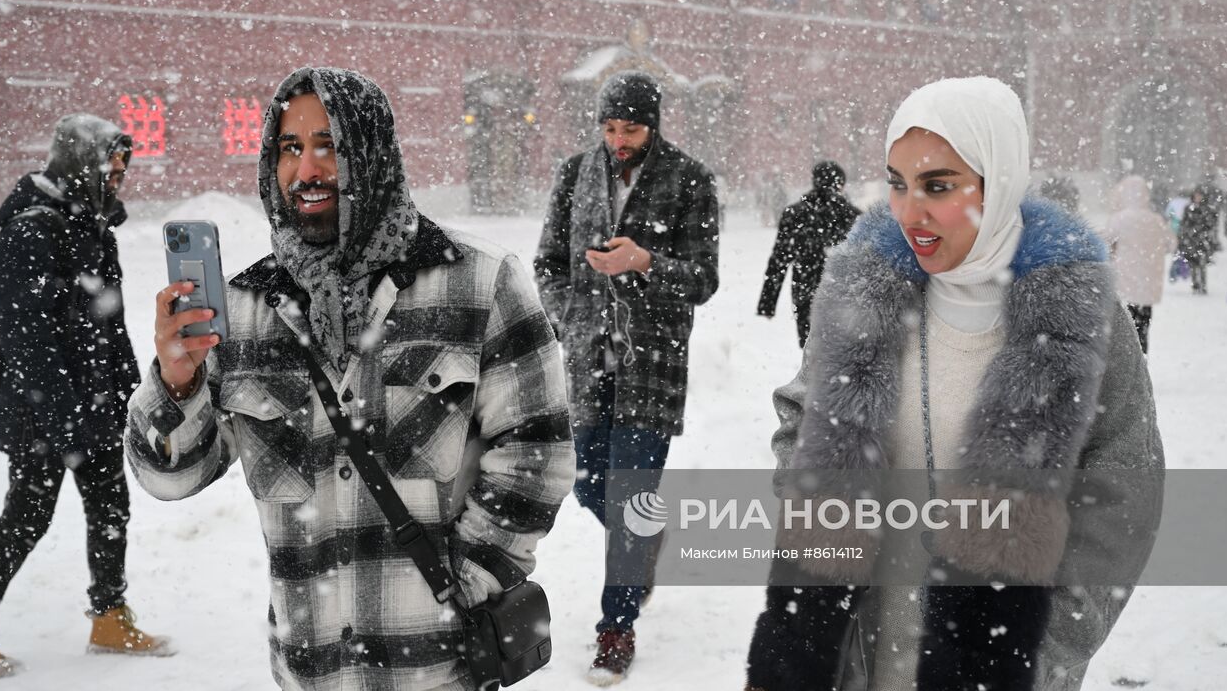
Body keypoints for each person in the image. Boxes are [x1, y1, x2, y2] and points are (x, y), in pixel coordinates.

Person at [127, 68, 574, 691]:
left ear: (371, 152)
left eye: (328, 145)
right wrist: (176, 385)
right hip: (311, 672)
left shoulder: (481, 283)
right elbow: (170, 477)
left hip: (438, 673)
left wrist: (463, 582)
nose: (306, 170)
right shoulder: (245, 310)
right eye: (290, 148)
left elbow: (538, 454)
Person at [744, 77, 1163, 691]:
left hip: (997, 664)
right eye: (897, 183)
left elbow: (1126, 497)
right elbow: (800, 420)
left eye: (937, 186)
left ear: (999, 182)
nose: (911, 211)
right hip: (853, 657)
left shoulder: (1082, 319)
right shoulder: (863, 296)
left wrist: (1050, 644)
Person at [0, 116, 167, 678]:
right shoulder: (31, 232)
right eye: (110, 166)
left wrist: (133, 395)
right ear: (81, 162)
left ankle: (109, 616)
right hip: (46, 413)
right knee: (26, 519)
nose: (118, 178)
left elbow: (108, 328)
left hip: (97, 404)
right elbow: (27, 338)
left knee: (111, 508)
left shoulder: (91, 225)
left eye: (122, 168)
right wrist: (65, 418)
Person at [535, 70, 719, 684]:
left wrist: (644, 262)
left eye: (631, 128)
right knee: (589, 485)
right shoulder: (575, 172)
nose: (618, 139)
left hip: (654, 363)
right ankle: (645, 537)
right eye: (610, 127)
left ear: (654, 124)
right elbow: (547, 263)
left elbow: (703, 279)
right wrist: (569, 318)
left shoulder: (689, 179)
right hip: (588, 364)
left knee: (625, 492)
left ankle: (616, 626)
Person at [757, 160, 862, 347]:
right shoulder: (853, 216)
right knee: (842, 355)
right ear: (840, 184)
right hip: (844, 297)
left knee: (810, 351)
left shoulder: (794, 214)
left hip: (806, 292)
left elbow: (779, 260)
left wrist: (768, 302)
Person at [1103, 175, 1176, 352]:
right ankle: (1142, 366)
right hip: (1147, 287)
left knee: (1123, 333)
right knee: (1143, 330)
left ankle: (1128, 371)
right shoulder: (1156, 220)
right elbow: (1171, 244)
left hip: (1125, 286)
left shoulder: (1119, 219)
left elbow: (1104, 242)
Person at [1176, 186, 1219, 294]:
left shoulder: (1208, 209)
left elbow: (1212, 224)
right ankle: (1195, 284)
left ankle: (1203, 285)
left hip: (1203, 240)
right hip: (1192, 240)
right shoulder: (1188, 208)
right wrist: (1185, 234)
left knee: (1202, 263)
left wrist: (1204, 231)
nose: (1198, 197)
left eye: (1200, 195)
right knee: (1193, 263)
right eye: (1196, 195)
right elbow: (1183, 223)